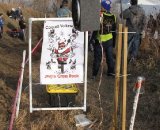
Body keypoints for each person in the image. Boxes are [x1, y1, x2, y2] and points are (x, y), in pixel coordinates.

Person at [90, 0, 116, 79]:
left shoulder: (99, 16)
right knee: (110, 57)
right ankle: (111, 73)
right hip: (109, 40)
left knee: (97, 59)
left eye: (101, 6)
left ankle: (94, 75)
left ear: (104, 7)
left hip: (100, 40)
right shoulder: (113, 16)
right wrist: (114, 42)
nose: (100, 7)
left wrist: (91, 40)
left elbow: (95, 30)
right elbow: (114, 31)